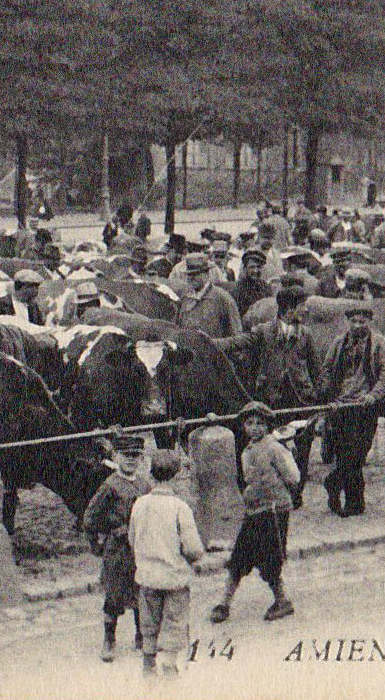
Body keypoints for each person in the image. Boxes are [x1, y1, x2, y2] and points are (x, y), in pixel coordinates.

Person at [215, 288, 320, 505]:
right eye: (302, 305)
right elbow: (238, 342)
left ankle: (295, 495)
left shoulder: (307, 334)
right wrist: (210, 344)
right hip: (271, 401)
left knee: (301, 449)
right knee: (269, 446)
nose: (306, 310)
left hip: (300, 400)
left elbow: (316, 368)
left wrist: (318, 398)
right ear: (289, 309)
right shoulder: (264, 331)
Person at [210, 401, 298, 624]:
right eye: (250, 423)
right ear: (243, 426)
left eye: (260, 423)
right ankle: (224, 603)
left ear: (268, 426)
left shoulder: (275, 448)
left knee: (271, 559)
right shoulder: (247, 451)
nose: (255, 428)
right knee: (239, 556)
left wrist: (275, 491)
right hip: (254, 511)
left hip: (274, 511)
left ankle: (282, 601)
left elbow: (293, 477)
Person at [128, 449, 204, 676]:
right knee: (174, 621)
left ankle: (148, 663)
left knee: (149, 621)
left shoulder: (139, 504)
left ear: (151, 475)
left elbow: (132, 538)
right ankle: (169, 664)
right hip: (174, 578)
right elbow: (192, 548)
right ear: (177, 477)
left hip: (147, 577)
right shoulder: (180, 507)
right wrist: (194, 558)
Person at [83, 435, 153, 662]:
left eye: (135, 456)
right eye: (126, 455)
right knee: (114, 596)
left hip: (139, 548)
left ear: (141, 459)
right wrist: (106, 535)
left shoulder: (144, 485)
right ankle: (109, 639)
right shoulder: (110, 486)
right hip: (118, 551)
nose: (131, 460)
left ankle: (141, 636)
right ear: (115, 457)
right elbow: (90, 518)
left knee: (141, 592)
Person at [320, 303, 385, 517]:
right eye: (353, 321)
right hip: (342, 406)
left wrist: (374, 395)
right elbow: (326, 370)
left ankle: (333, 482)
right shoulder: (338, 343)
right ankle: (355, 502)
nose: (357, 325)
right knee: (345, 454)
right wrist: (329, 397)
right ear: (348, 322)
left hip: (365, 406)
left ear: (369, 321)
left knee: (359, 454)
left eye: (362, 321)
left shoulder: (379, 343)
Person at [175, 253, 243, 339]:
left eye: (196, 274)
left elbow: (236, 336)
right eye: (189, 274)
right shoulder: (185, 299)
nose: (191, 278)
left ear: (206, 274)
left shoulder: (222, 298)